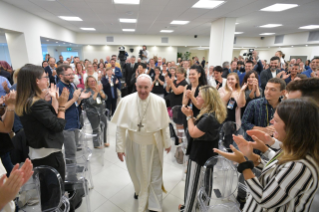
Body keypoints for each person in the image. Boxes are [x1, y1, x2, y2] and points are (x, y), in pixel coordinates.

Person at [214, 98, 319, 212]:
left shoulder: (299, 167)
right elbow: (277, 172)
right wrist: (252, 156)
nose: (272, 122)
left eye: (277, 120)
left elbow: (265, 200)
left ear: (293, 127)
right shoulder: (294, 149)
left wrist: (243, 165)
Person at [111, 74, 171, 212]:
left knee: (155, 174)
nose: (143, 91)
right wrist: (119, 148)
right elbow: (121, 127)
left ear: (151, 86)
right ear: (136, 86)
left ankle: (155, 205)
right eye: (140, 87)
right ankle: (139, 190)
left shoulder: (159, 101)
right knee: (137, 172)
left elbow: (164, 125)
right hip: (134, 143)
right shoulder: (126, 101)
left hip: (155, 143)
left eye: (146, 87)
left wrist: (167, 142)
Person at [16, 64, 69, 180]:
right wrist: (62, 104)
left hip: (40, 152)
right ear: (37, 81)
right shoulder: (36, 104)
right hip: (49, 154)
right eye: (45, 77)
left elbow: (52, 119)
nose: (47, 80)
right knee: (54, 192)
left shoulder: (27, 101)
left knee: (49, 190)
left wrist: (54, 99)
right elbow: (58, 125)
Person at [179, 85, 227, 212]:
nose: (197, 98)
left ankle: (189, 209)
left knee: (194, 187)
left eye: (199, 96)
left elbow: (194, 133)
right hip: (207, 154)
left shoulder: (208, 117)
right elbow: (202, 129)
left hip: (200, 155)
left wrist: (189, 117)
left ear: (207, 100)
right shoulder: (213, 113)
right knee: (204, 185)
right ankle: (199, 208)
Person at [56, 64, 91, 163]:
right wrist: (75, 98)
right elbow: (60, 109)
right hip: (67, 125)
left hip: (75, 122)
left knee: (74, 148)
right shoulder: (58, 88)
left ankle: (74, 169)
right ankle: (72, 176)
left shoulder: (72, 85)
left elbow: (75, 103)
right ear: (60, 76)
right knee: (70, 152)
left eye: (72, 74)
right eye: (69, 75)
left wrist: (80, 98)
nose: (72, 76)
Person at [82, 76, 107, 148]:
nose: (93, 83)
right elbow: (91, 102)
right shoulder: (87, 91)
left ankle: (104, 141)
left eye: (94, 81)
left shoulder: (98, 89)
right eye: (91, 81)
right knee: (96, 128)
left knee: (104, 125)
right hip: (92, 112)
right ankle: (96, 144)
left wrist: (101, 92)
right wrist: (96, 92)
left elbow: (105, 97)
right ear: (87, 83)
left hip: (101, 110)